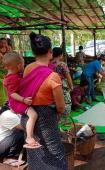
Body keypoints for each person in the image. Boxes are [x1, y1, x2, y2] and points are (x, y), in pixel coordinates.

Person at [20, 32, 67, 169]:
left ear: (33, 52)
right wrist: (58, 113)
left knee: (35, 153)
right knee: (55, 154)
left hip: (28, 115)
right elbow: (61, 107)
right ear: (50, 52)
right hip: (45, 118)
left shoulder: (28, 68)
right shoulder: (53, 77)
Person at [2, 52, 41, 149]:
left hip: (16, 102)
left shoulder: (14, 75)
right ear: (19, 66)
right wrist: (23, 100)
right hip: (17, 102)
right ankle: (29, 137)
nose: (24, 66)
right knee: (33, 115)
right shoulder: (12, 79)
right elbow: (12, 93)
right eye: (23, 64)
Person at [51, 47, 73, 116]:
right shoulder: (62, 64)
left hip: (52, 84)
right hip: (62, 84)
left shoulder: (49, 64)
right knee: (66, 102)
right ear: (60, 55)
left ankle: (58, 116)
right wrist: (71, 86)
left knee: (55, 101)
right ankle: (65, 118)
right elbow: (68, 76)